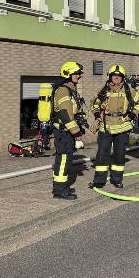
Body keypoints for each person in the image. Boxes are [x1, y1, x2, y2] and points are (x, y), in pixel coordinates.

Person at [88, 65, 139, 189]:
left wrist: (133, 113)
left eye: (119, 76)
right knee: (102, 154)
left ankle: (117, 180)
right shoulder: (104, 90)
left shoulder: (128, 90)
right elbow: (94, 103)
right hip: (106, 126)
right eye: (114, 75)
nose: (117, 78)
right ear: (110, 77)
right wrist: (97, 115)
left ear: (122, 78)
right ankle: (99, 181)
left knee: (119, 155)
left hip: (122, 126)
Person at [52, 62, 85, 200]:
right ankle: (59, 191)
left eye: (78, 73)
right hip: (64, 132)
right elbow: (65, 114)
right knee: (63, 161)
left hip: (67, 131)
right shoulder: (63, 90)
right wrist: (76, 132)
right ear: (67, 74)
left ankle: (63, 187)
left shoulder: (70, 89)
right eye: (75, 73)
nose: (78, 76)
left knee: (66, 160)